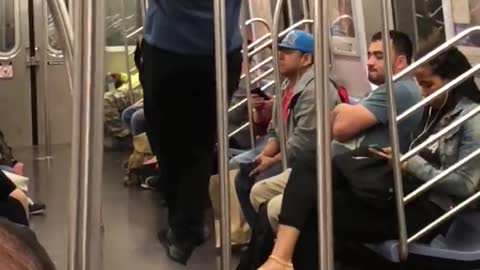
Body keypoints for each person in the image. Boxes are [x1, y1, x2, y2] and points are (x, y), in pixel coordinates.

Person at [259, 38, 480, 270]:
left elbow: (465, 185)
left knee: (315, 212)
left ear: (452, 82)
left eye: (428, 85)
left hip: (428, 210)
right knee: (312, 163)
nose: (423, 94)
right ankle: (279, 259)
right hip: (402, 193)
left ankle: (277, 261)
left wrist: (410, 164)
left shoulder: (471, 118)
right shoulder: (432, 113)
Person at [142, 0, 243, 264]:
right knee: (199, 142)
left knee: (165, 138)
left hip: (167, 50)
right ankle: (187, 226)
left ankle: (183, 226)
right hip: (219, 52)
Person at [232, 30, 340, 228]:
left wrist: (270, 161)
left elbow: (304, 144)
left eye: (288, 53)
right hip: (289, 155)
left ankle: (264, 240)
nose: (279, 56)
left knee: (248, 182)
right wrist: (263, 157)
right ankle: (262, 238)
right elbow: (275, 130)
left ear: (306, 59)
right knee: (244, 174)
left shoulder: (315, 90)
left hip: (308, 163)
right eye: (280, 51)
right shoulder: (287, 86)